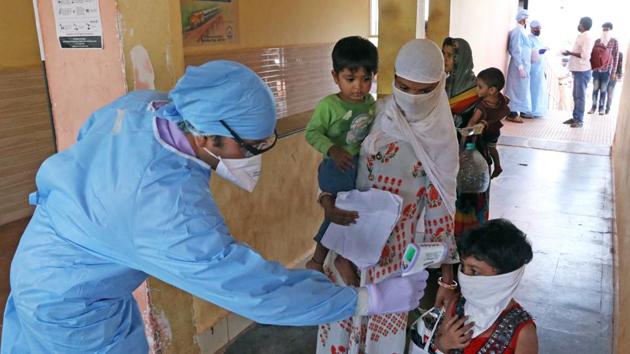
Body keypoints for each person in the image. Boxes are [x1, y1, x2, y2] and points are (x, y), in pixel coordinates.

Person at [1, 60, 429, 353]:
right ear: (208, 139)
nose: (256, 158)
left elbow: (89, 137)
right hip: (72, 307)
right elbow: (250, 288)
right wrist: (363, 300)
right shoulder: (166, 210)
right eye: (251, 148)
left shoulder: (144, 108)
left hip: (50, 261)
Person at [316, 39, 460, 354]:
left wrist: (446, 281)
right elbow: (336, 168)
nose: (412, 98)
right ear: (392, 78)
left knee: (382, 337)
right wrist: (335, 244)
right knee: (340, 327)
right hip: (348, 245)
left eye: (424, 91)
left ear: (439, 85)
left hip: (394, 259)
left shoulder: (442, 139)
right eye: (403, 86)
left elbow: (440, 212)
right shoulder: (374, 115)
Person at [304, 36, 377, 283]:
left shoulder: (370, 103)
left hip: (356, 167)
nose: (358, 86)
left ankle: (343, 257)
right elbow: (311, 133)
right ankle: (317, 259)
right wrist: (332, 149)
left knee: (355, 213)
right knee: (335, 211)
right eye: (350, 79)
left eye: (366, 79)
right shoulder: (329, 105)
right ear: (335, 77)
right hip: (335, 166)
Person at [434, 219, 538, 354]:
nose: (465, 276)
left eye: (474, 271)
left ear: (504, 278)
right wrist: (445, 342)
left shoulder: (523, 332)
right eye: (463, 266)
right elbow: (438, 343)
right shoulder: (457, 304)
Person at [456, 68, 510, 236]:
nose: (476, 90)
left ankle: (472, 228)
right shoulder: (499, 100)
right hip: (485, 142)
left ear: (492, 90)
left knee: (489, 156)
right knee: (492, 151)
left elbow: (470, 125)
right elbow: (505, 110)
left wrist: (463, 142)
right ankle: (498, 166)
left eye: (479, 87)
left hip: (480, 145)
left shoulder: (483, 105)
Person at [563, 17, 594, 128]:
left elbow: (585, 55)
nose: (578, 25)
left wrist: (570, 53)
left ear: (582, 24)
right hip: (577, 70)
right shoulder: (581, 36)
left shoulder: (587, 37)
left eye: (579, 23)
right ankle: (575, 117)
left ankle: (579, 120)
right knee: (575, 96)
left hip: (583, 70)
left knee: (580, 97)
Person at [443, 37, 479, 129]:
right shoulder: (444, 83)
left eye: (450, 55)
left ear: (461, 58)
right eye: (443, 54)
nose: (444, 59)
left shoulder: (476, 88)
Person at [505, 9, 533, 123]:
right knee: (514, 90)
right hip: (518, 66)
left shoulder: (523, 31)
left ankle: (518, 111)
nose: (528, 20)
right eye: (527, 17)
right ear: (523, 18)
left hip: (524, 65)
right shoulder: (517, 31)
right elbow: (515, 49)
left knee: (521, 90)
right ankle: (511, 114)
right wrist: (520, 66)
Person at [588, 22, 620, 116]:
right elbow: (592, 55)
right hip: (597, 70)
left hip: (607, 71)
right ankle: (593, 107)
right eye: (603, 29)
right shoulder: (598, 41)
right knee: (595, 89)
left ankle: (601, 108)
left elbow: (616, 57)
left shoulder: (614, 41)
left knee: (603, 90)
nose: (605, 31)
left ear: (610, 30)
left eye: (607, 29)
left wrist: (613, 72)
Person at [528, 20, 549, 118]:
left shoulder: (538, 39)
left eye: (539, 28)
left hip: (539, 69)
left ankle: (535, 110)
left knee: (538, 90)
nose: (538, 30)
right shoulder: (529, 39)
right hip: (532, 70)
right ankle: (529, 111)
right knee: (532, 90)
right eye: (536, 28)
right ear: (531, 28)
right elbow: (529, 53)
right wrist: (539, 51)